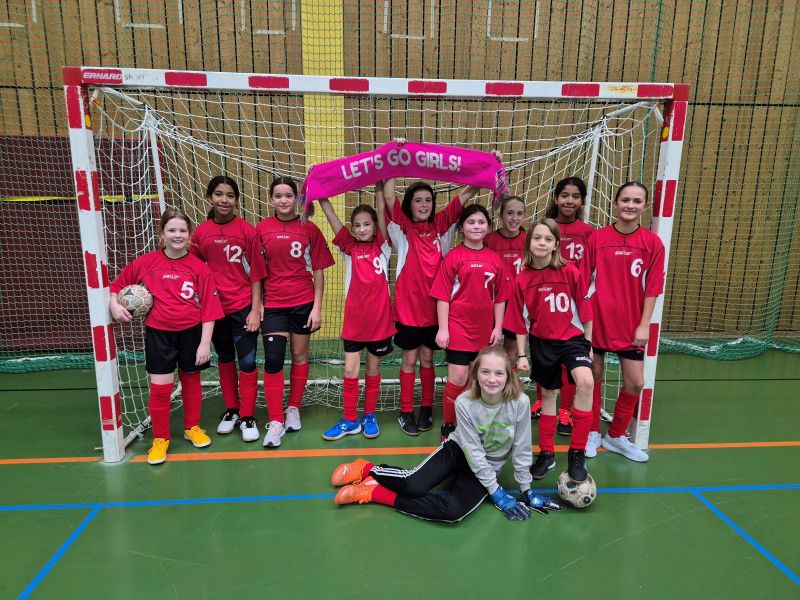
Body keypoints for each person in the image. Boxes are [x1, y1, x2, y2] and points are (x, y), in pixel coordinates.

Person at [330, 346, 561, 522]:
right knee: (413, 485)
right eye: (485, 372)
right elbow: (472, 450)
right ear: (476, 374)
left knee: (453, 511)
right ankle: (367, 469)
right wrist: (496, 492)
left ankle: (375, 492)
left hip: (489, 463)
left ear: (508, 376)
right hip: (459, 450)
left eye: (499, 373)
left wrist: (526, 489)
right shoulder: (465, 403)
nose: (492, 379)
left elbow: (521, 447)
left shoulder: (520, 402)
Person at [382, 146, 484, 436]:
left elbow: (467, 193)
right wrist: (394, 155)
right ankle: (406, 411)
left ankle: (426, 407)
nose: (424, 204)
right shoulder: (402, 227)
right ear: (409, 204)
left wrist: (489, 166)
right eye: (418, 200)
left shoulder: (441, 224)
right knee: (409, 360)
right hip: (407, 310)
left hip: (435, 309)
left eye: (428, 200)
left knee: (428, 360)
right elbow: (388, 196)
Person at [109, 209, 224, 465]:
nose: (177, 235)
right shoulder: (147, 262)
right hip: (159, 334)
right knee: (161, 388)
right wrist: (114, 304)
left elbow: (210, 309)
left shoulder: (199, 268)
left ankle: (192, 427)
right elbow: (116, 286)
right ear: (162, 234)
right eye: (172, 230)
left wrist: (205, 343)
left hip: (192, 333)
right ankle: (160, 438)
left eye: (182, 230)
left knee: (191, 381)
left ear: (190, 235)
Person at [505, 219, 595, 482]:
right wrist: (522, 355)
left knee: (586, 382)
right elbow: (520, 322)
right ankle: (547, 453)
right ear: (529, 242)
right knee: (548, 395)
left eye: (547, 239)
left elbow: (585, 311)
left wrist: (588, 343)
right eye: (537, 238)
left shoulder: (570, 272)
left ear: (556, 244)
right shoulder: (522, 279)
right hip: (542, 342)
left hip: (572, 338)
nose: (542, 243)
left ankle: (577, 453)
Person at [585, 181, 665, 462]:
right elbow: (583, 282)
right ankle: (591, 431)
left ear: (645, 206)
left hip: (631, 324)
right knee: (592, 376)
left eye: (637, 201)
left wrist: (645, 324)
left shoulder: (652, 243)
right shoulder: (597, 238)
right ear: (615, 203)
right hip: (597, 321)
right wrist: (584, 324)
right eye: (625, 200)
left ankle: (616, 435)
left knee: (636, 382)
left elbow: (653, 287)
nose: (630, 205)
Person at [256, 176, 335, 447]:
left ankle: (293, 408)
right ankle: (275, 420)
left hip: (303, 302)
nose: (283, 200)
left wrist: (317, 307)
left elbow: (319, 270)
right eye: (278, 195)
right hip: (274, 304)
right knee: (273, 359)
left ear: (297, 199)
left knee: (300, 355)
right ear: (271, 199)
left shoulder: (309, 228)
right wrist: (259, 303)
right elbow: (257, 271)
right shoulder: (262, 229)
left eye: (288, 195)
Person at [316, 183, 395, 441]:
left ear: (375, 227)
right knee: (350, 371)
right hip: (355, 323)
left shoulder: (383, 245)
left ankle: (369, 415)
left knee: (372, 370)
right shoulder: (348, 247)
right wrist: (321, 194)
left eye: (367, 224)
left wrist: (380, 187)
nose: (362, 229)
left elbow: (382, 211)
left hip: (380, 322)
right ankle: (350, 419)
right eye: (357, 225)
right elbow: (332, 218)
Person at [191, 176, 266, 442]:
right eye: (219, 194)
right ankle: (232, 410)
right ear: (209, 198)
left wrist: (255, 309)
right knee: (224, 359)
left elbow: (257, 274)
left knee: (247, 362)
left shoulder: (247, 231)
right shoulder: (200, 234)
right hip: (214, 310)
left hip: (242, 306)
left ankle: (247, 416)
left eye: (230, 195)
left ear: (236, 200)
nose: (224, 200)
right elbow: (193, 272)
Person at [430, 203, 508, 441]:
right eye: (471, 222)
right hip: (458, 328)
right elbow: (442, 296)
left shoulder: (495, 259)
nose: (476, 226)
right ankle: (449, 426)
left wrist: (498, 327)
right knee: (458, 378)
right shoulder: (453, 257)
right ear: (462, 227)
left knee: (478, 380)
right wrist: (443, 329)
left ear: (488, 227)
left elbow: (500, 297)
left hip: (484, 330)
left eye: (481, 222)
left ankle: (473, 424)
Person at [539, 177, 597, 434]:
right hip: (547, 298)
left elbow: (592, 271)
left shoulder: (588, 233)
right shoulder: (545, 227)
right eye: (564, 195)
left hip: (573, 303)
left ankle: (565, 410)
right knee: (544, 355)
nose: (569, 200)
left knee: (570, 358)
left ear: (581, 201)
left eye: (575, 196)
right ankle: (543, 402)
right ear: (556, 198)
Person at [485, 196, 527, 366]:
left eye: (519, 213)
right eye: (510, 213)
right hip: (492, 301)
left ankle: (509, 383)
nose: (514, 218)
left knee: (512, 354)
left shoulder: (529, 240)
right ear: (501, 214)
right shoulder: (489, 240)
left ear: (524, 216)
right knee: (488, 348)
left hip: (517, 304)